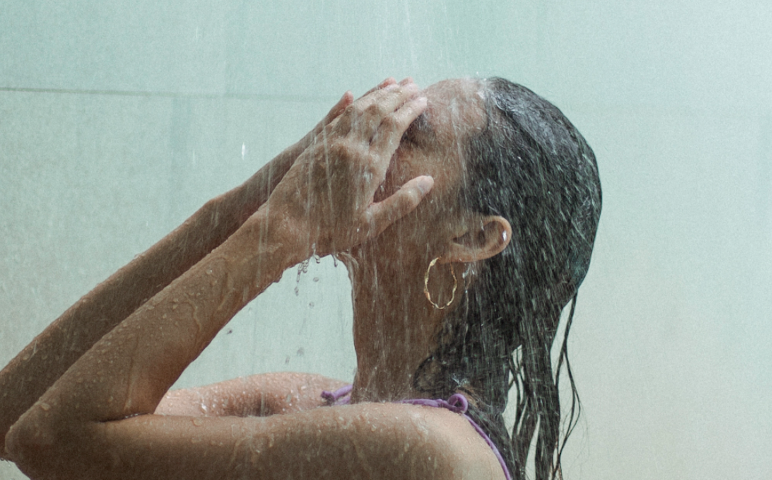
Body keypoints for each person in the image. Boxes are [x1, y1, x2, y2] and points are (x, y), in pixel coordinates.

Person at [0, 76, 601, 480]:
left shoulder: (428, 449)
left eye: (410, 132)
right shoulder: (301, 401)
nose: (362, 140)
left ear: (471, 238)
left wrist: (282, 229)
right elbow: (16, 417)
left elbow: (51, 440)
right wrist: (240, 210)